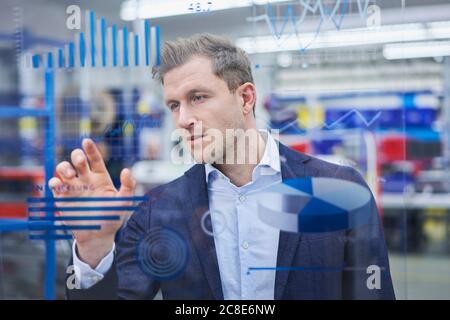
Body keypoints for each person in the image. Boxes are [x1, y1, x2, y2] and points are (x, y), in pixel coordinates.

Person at [50, 33, 395, 299]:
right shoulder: (159, 210)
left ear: (245, 98)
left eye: (197, 98)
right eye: (174, 105)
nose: (183, 120)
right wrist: (95, 249)